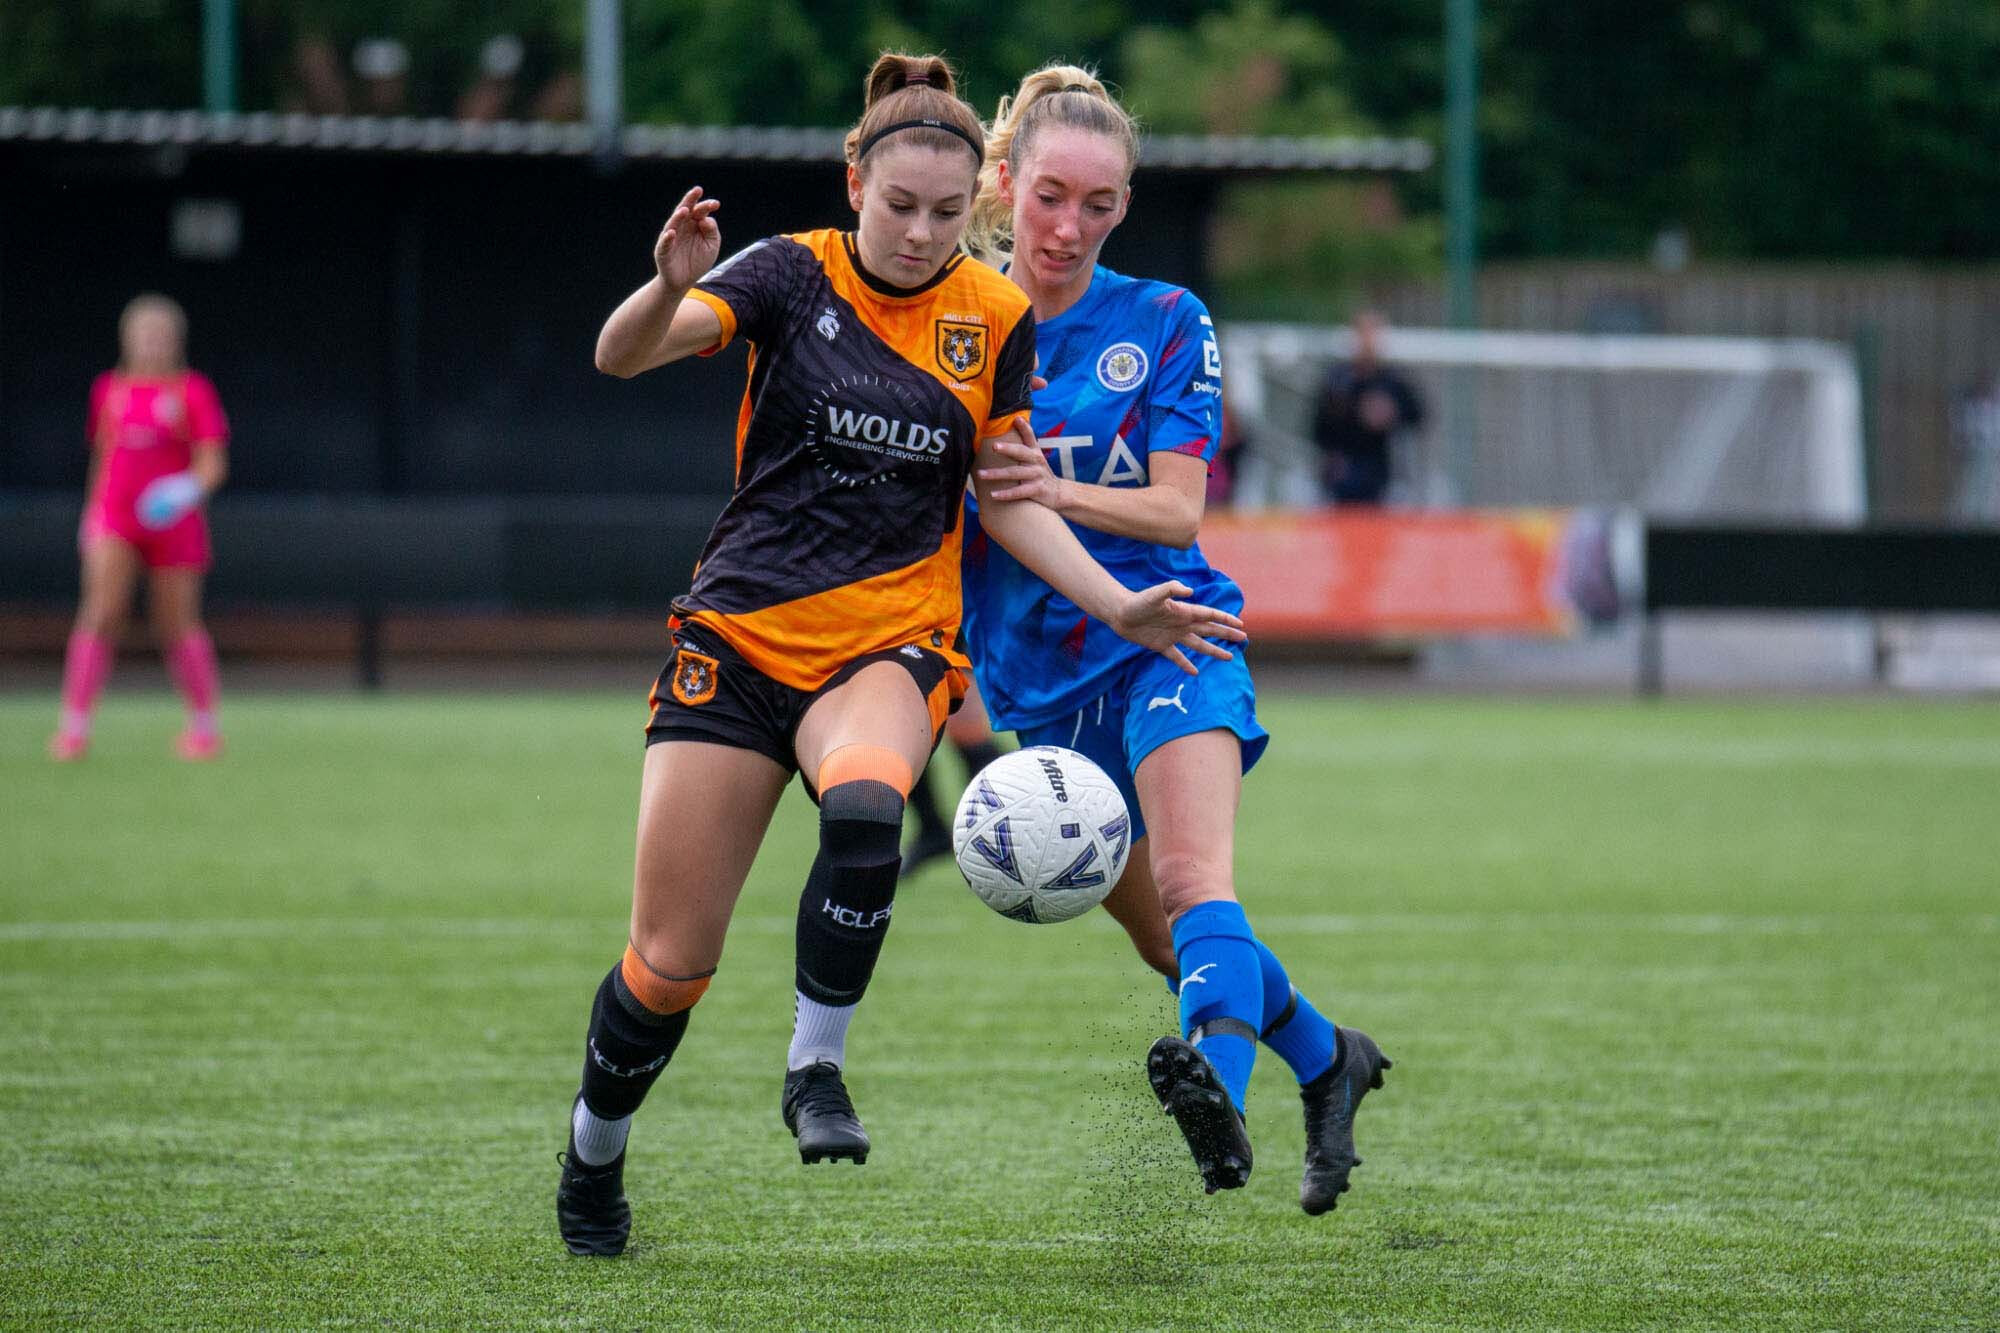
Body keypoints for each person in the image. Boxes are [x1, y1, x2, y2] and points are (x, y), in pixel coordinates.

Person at [556, 52, 1247, 1258]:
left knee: (870, 806)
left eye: (944, 212)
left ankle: (813, 1070)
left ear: (968, 192)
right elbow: (620, 359)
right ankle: (593, 1150)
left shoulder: (993, 319)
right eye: (899, 209)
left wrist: (1121, 606)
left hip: (889, 639)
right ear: (854, 184)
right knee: (667, 966)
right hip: (737, 632)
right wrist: (663, 291)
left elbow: (1014, 496)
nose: (925, 234)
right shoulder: (784, 271)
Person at [961, 65, 1391, 1211]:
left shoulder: (1160, 320)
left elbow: (1174, 509)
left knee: (1200, 879)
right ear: (1004, 183)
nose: (1071, 226)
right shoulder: (952, 325)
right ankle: (1327, 1057)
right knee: (1174, 948)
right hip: (1038, 693)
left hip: (1170, 636)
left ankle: (1222, 1098)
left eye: (1100, 204)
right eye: (1052, 195)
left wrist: (1045, 483)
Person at [50, 295, 229, 762]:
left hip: (173, 521)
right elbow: (103, 456)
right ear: (127, 340)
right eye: (143, 336)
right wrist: (90, 516)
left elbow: (213, 463)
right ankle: (74, 728)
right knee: (100, 613)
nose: (152, 345)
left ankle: (204, 728)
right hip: (116, 516)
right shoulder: (109, 390)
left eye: (161, 336)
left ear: (176, 342)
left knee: (176, 623)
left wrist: (183, 490)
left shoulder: (192, 391)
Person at [1311, 309, 1423, 505]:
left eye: (1373, 333)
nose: (1368, 340)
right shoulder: (1336, 378)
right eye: (1363, 332)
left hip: (1384, 474)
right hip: (1342, 475)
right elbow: (1318, 429)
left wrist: (1392, 413)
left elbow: (1418, 415)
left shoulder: (1393, 378)